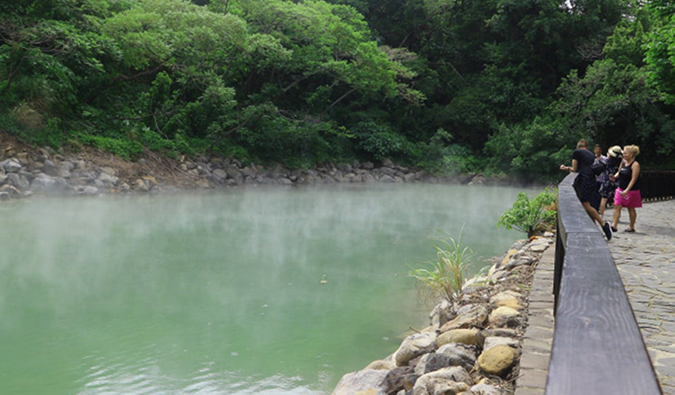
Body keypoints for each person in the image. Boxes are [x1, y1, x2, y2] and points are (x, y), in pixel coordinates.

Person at [560, 139, 613, 240]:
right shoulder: (591, 154)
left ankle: (603, 224)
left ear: (578, 146)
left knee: (586, 205)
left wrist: (566, 168)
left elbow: (574, 169)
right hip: (592, 180)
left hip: (584, 180)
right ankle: (592, 228)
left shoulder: (576, 152)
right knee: (585, 205)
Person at [611, 145, 642, 232]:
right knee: (617, 206)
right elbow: (619, 172)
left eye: (625, 153)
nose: (623, 155)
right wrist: (614, 177)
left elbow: (633, 179)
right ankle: (614, 225)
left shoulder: (635, 165)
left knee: (630, 207)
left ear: (631, 154)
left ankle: (631, 226)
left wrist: (627, 190)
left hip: (632, 190)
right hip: (620, 188)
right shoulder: (623, 162)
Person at [598, 145, 623, 216]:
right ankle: (616, 214)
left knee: (604, 199)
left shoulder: (607, 161)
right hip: (616, 180)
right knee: (616, 199)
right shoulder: (620, 162)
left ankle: (602, 214)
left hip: (607, 180)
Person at [591, 144, 607, 211]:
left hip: (602, 178)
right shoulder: (592, 158)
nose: (597, 150)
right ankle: (595, 207)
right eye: (596, 149)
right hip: (594, 179)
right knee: (595, 194)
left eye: (599, 149)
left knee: (601, 194)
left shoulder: (605, 159)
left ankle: (600, 207)